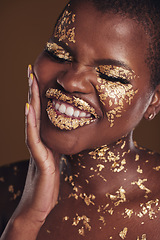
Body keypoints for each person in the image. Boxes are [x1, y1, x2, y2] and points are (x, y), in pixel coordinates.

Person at [1, 0, 160, 239]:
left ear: (153, 101)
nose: (71, 81)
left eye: (111, 75)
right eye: (58, 53)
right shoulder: (6, 187)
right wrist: (28, 218)